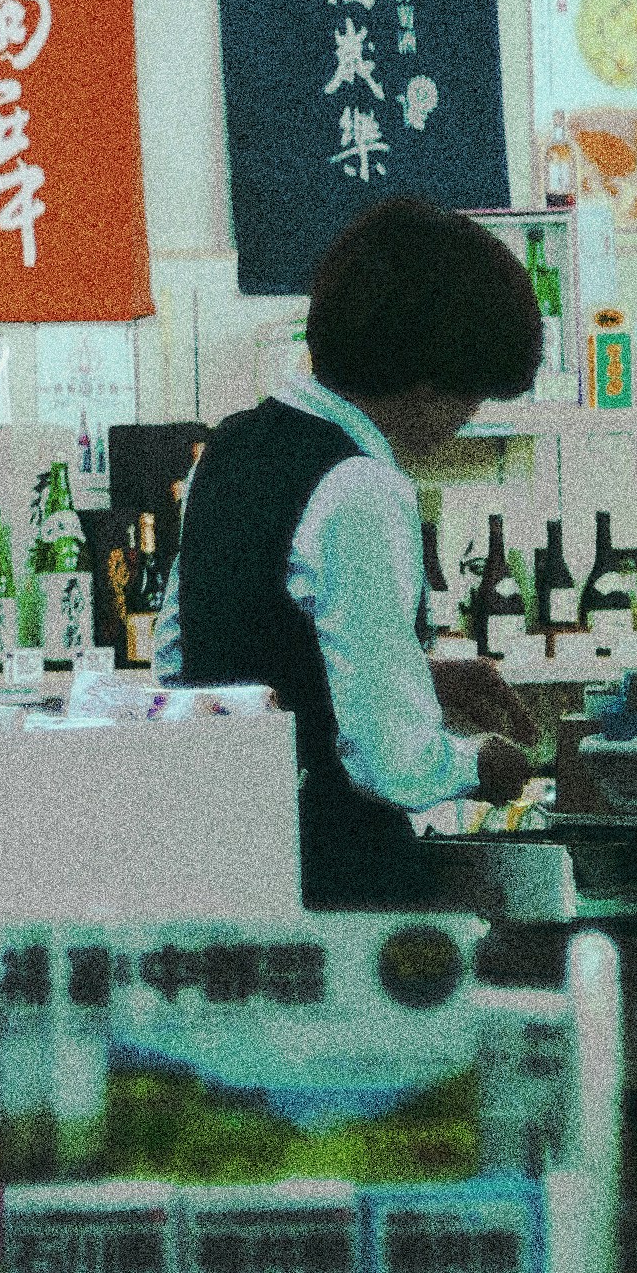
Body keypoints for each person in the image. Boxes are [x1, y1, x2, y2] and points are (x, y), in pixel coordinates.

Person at [160, 197, 545, 906]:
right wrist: (484, 764)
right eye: (473, 397)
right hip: (336, 876)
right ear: (430, 380)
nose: (465, 422)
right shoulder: (361, 486)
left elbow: (191, 660)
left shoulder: (229, 448)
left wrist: (418, 676)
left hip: (230, 858)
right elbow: (391, 759)